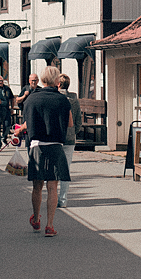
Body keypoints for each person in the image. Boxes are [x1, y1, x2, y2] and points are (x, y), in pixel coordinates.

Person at [13, 66, 71, 237]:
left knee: (37, 186)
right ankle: (50, 225)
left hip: (37, 145)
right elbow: (70, 124)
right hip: (55, 144)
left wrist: (19, 130)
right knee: (52, 186)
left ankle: (36, 220)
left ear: (41, 80)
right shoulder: (63, 100)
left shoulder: (31, 99)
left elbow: (28, 123)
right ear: (57, 81)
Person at [57, 73, 81, 208]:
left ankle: (53, 197)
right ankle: (63, 199)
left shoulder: (55, 97)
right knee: (66, 168)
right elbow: (78, 120)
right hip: (70, 137)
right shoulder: (74, 99)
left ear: (58, 84)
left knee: (55, 167)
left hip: (56, 137)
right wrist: (73, 132)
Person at [0, 76, 15, 142]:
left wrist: (12, 108)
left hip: (6, 109)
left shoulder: (7, 88)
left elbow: (12, 98)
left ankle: (4, 136)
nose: (0, 82)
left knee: (7, 125)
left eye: (1, 81)